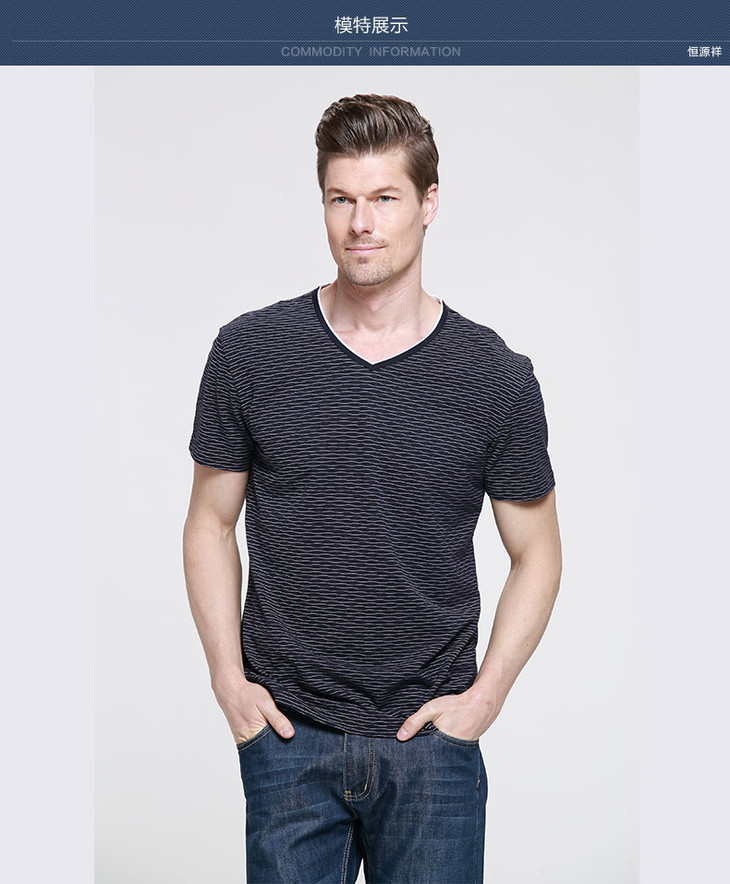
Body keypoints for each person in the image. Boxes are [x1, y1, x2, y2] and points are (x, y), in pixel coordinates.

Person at [182, 93, 562, 884]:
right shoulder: (250, 354)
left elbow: (538, 553)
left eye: (385, 198)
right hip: (289, 737)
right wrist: (228, 682)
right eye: (341, 199)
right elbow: (210, 522)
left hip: (431, 747)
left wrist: (484, 699)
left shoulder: (495, 378)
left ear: (429, 203)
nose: (361, 223)